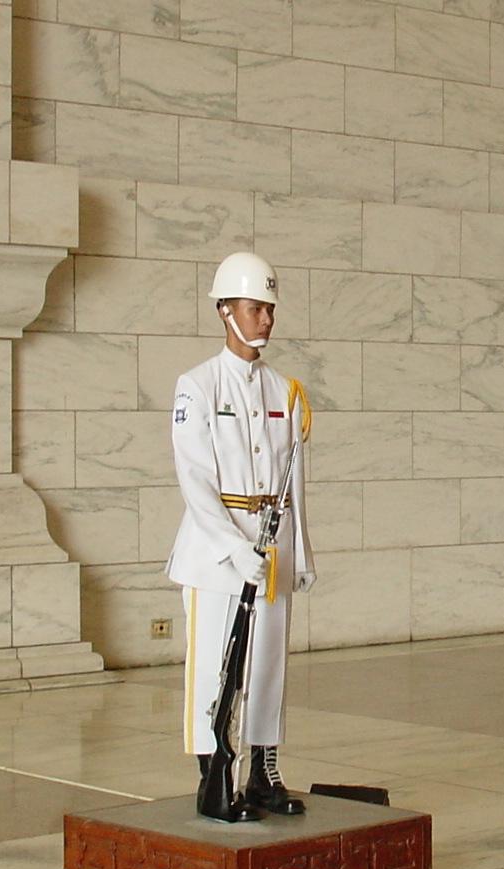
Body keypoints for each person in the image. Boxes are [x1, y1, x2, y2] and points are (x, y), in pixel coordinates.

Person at [166, 250, 315, 821]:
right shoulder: (197, 386)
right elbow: (195, 481)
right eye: (256, 308)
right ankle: (213, 774)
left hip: (272, 547)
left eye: (270, 309)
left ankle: (262, 772)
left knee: (268, 662)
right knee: (215, 666)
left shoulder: (285, 390)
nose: (266, 319)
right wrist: (233, 548)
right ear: (226, 310)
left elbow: (294, 481)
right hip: (215, 553)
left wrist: (300, 554)